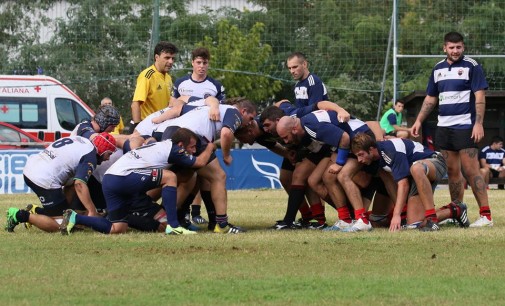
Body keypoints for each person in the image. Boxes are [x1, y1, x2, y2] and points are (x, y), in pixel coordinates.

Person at [60, 128, 215, 236]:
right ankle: (173, 226)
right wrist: (210, 147)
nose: (194, 151)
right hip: (123, 177)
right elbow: (200, 162)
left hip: (110, 179)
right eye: (192, 147)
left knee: (118, 228)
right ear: (181, 145)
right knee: (170, 177)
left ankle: (75, 218)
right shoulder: (174, 149)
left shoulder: (162, 145)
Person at [411, 31, 493, 227]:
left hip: (466, 127)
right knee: (452, 172)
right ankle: (458, 211)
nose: (455, 51)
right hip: (444, 128)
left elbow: (480, 97)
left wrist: (478, 123)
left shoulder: (472, 66)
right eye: (451, 47)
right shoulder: (437, 69)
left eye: (458, 47)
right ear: (444, 48)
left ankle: (486, 215)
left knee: (471, 170)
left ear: (463, 47)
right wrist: (418, 120)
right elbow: (431, 98)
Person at [351, 133, 469, 232]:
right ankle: (455, 210)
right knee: (409, 224)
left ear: (371, 150)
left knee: (416, 168)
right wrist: (402, 212)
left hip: (434, 161)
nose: (359, 160)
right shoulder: (377, 158)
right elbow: (388, 182)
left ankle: (442, 214)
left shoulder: (390, 151)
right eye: (357, 156)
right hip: (415, 176)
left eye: (361, 155)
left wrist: (397, 215)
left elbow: (403, 184)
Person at [5, 133, 117, 233]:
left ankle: (37, 210)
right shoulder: (90, 156)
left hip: (32, 167)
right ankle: (19, 215)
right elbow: (79, 184)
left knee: (68, 198)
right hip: (43, 178)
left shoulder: (82, 140)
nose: (108, 159)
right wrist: (92, 211)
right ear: (104, 150)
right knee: (63, 223)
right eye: (109, 154)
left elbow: (73, 183)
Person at [172, 47, 226, 225]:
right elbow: (173, 106)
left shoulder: (215, 86)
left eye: (205, 63)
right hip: (182, 137)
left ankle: (207, 218)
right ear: (192, 63)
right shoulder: (180, 83)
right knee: (186, 177)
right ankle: (179, 215)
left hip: (204, 139)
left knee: (205, 179)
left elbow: (221, 112)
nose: (202, 66)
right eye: (198, 62)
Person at [130, 41, 178, 131]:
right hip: (147, 127)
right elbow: (135, 104)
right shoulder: (147, 75)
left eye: (172, 58)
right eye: (167, 58)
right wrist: (138, 128)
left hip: (161, 126)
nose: (171, 61)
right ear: (157, 57)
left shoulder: (168, 77)